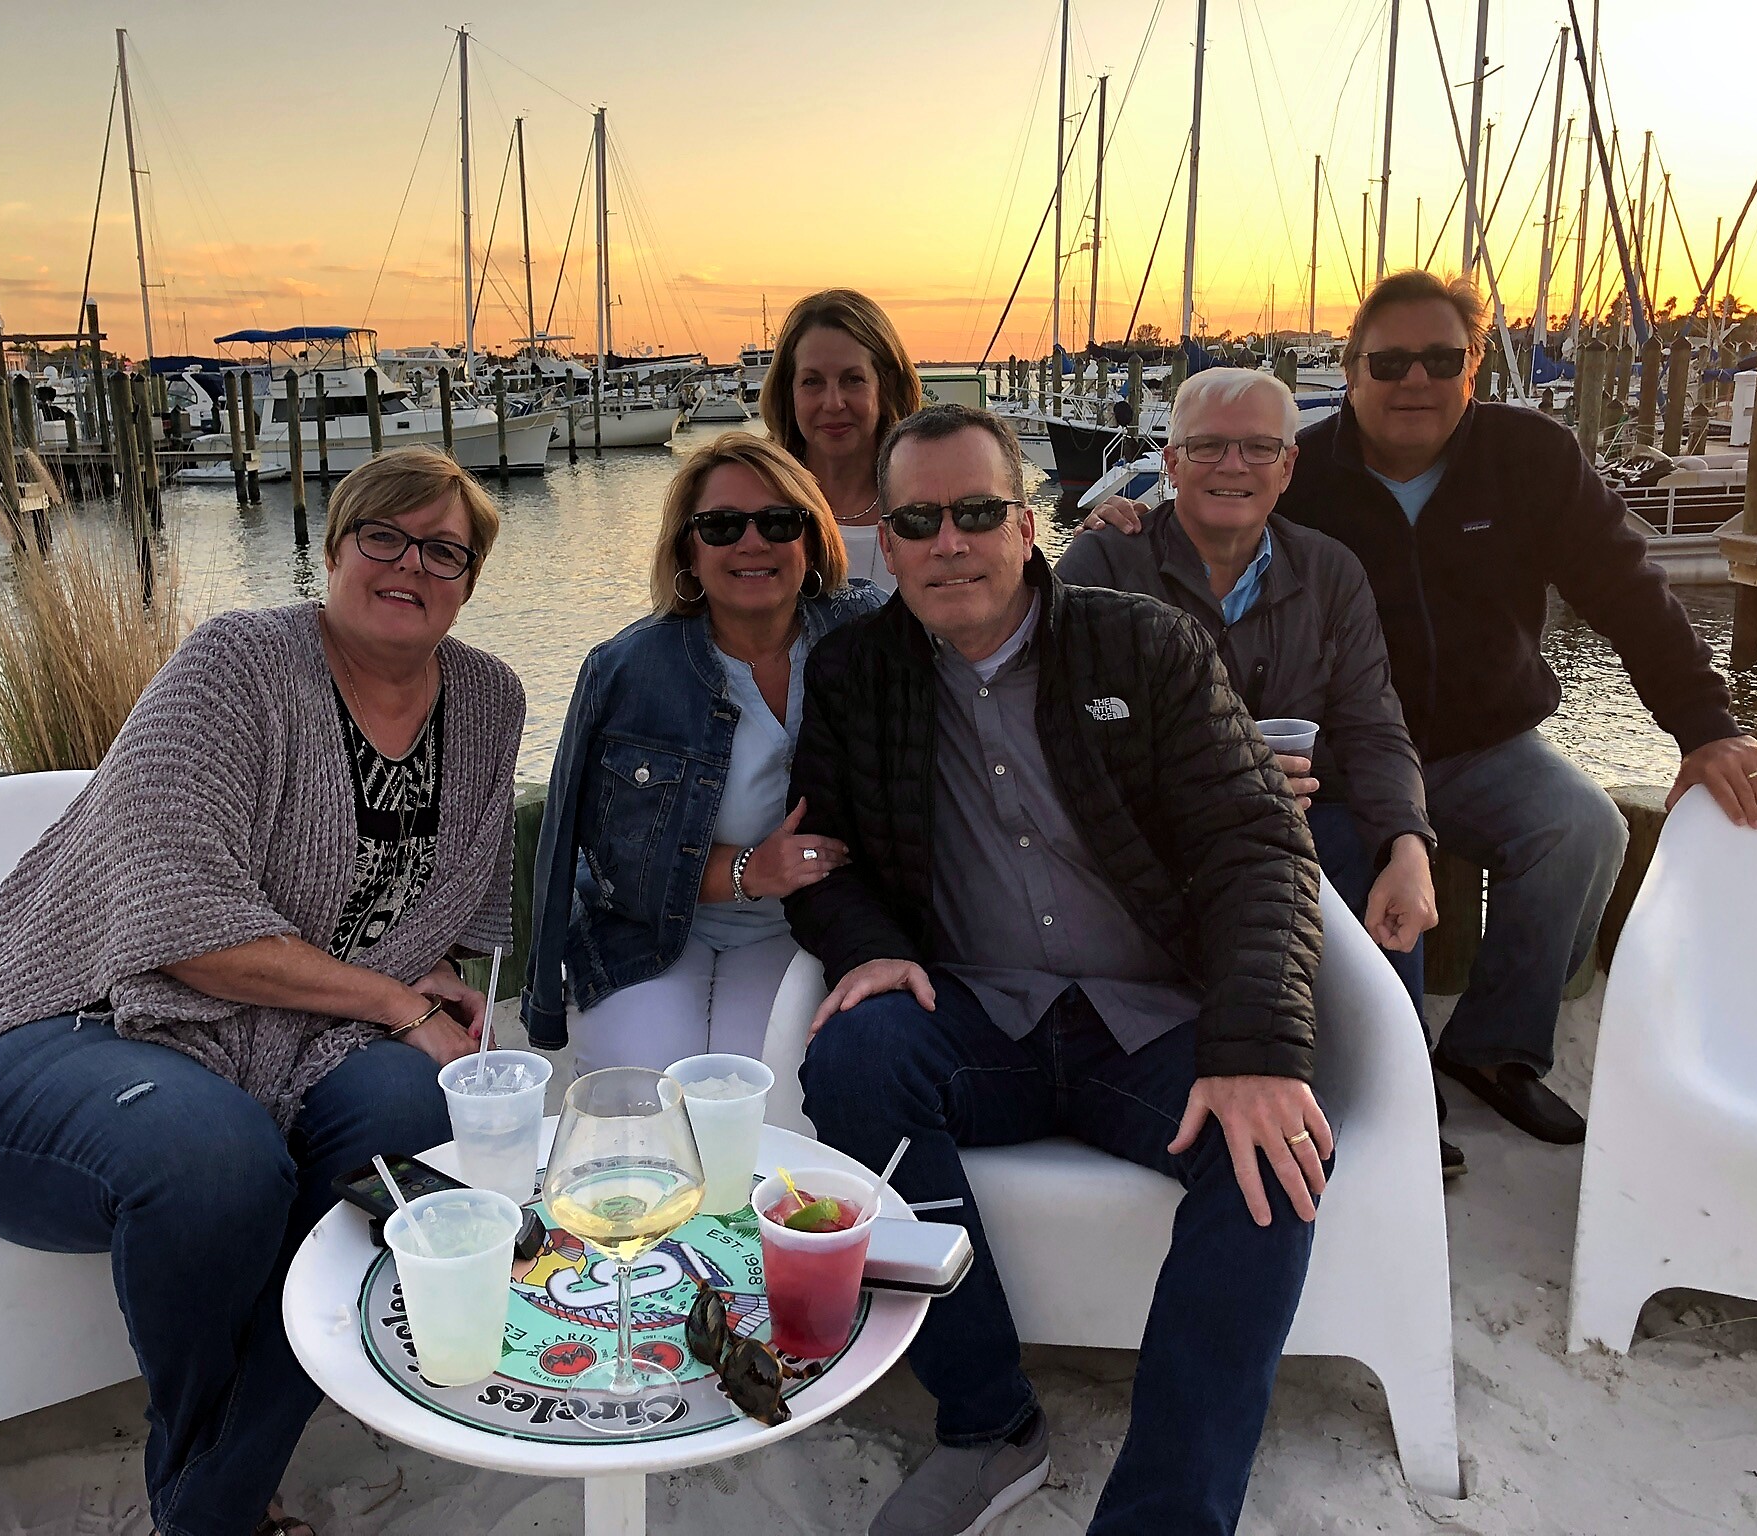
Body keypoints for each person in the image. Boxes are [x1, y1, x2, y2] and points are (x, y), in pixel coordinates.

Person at [0, 446, 526, 1536]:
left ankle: (207, 1500)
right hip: (68, 1023)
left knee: (413, 1122)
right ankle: (220, 1510)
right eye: (384, 536)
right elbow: (180, 923)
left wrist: (426, 973)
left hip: (289, 1037)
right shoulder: (239, 662)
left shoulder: (486, 698)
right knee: (215, 1158)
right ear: (335, 549)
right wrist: (389, 1000)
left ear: (468, 582)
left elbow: (452, 897)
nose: (410, 565)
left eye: (444, 552)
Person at [786, 404, 1327, 1536]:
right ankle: (988, 1423)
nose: (949, 543)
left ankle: (1163, 1519)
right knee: (852, 1063)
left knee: (1272, 1160)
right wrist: (869, 945)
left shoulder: (1144, 645)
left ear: (1026, 525)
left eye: (977, 513)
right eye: (918, 521)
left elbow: (1258, 843)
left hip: (1152, 1016)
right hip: (980, 1015)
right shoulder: (853, 672)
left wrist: (1254, 1046)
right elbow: (824, 855)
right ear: (887, 542)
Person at [1277, 269, 1757, 1144]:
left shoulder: (1531, 458)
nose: (1415, 381)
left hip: (1482, 746)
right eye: (1389, 362)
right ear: (1351, 371)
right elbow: (1204, 532)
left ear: (1474, 365)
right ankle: (1391, 1079)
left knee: (1584, 830)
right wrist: (1123, 529)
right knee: (1352, 865)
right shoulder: (1298, 474)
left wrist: (1705, 728)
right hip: (1346, 760)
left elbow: (1626, 590)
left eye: (1441, 359)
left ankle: (1495, 1048)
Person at [1058, 367, 1456, 1174]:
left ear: (1288, 465)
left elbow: (1375, 726)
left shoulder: (1331, 572)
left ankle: (1396, 1097)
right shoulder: (1106, 560)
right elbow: (1060, 730)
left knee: (1372, 862)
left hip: (1295, 823)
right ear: (1171, 462)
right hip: (1152, 832)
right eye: (1208, 446)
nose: (1232, 466)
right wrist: (1221, 767)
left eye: (1258, 448)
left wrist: (1409, 846)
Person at [522, 433, 881, 1072]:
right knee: (647, 1091)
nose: (752, 542)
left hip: (801, 927)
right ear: (688, 549)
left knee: (761, 1090)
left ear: (811, 540)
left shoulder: (867, 637)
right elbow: (602, 859)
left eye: (778, 521)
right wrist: (748, 870)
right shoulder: (625, 671)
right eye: (721, 526)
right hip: (648, 930)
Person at [759, 287, 923, 592]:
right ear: (788, 391)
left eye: (853, 380)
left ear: (885, 386)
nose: (833, 403)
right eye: (812, 382)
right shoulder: (754, 514)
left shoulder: (928, 509)